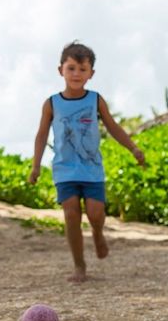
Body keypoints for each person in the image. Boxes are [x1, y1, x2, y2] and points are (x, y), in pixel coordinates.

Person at [29, 42, 145, 282]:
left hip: (92, 169)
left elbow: (112, 127)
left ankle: (98, 234)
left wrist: (133, 148)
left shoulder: (95, 100)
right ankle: (79, 265)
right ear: (60, 69)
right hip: (64, 169)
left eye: (82, 69)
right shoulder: (51, 103)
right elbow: (41, 135)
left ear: (91, 73)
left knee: (95, 213)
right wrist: (35, 165)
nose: (76, 74)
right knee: (71, 214)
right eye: (71, 68)